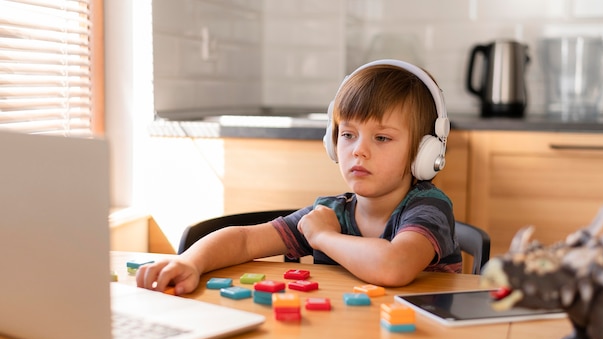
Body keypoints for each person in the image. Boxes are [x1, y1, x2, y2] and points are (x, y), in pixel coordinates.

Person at [137, 59, 462, 295]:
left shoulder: (428, 208)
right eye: (348, 135)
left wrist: (321, 238)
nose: (358, 151)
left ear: (424, 153)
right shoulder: (331, 213)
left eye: (382, 138)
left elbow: (394, 266)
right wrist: (191, 263)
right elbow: (246, 240)